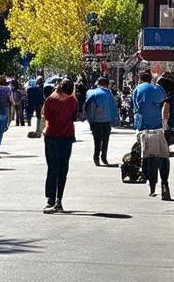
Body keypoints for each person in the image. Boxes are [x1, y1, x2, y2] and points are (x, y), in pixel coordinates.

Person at [133, 70, 171, 200]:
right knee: (163, 156)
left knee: (149, 158)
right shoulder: (156, 88)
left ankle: (152, 185)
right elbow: (162, 98)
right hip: (157, 127)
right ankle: (165, 183)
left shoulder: (137, 90)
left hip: (143, 127)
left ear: (140, 78)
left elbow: (136, 107)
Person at [42, 77, 78, 213]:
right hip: (67, 136)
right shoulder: (73, 100)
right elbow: (74, 117)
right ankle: (59, 199)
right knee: (63, 168)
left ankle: (50, 198)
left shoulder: (51, 99)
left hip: (52, 135)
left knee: (52, 167)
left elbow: (46, 117)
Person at [84, 76, 118, 166]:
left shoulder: (92, 93)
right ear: (107, 85)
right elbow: (113, 107)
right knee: (105, 140)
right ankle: (104, 158)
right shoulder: (109, 94)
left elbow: (90, 109)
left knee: (97, 141)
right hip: (107, 121)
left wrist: (90, 121)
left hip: (96, 121)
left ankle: (96, 158)